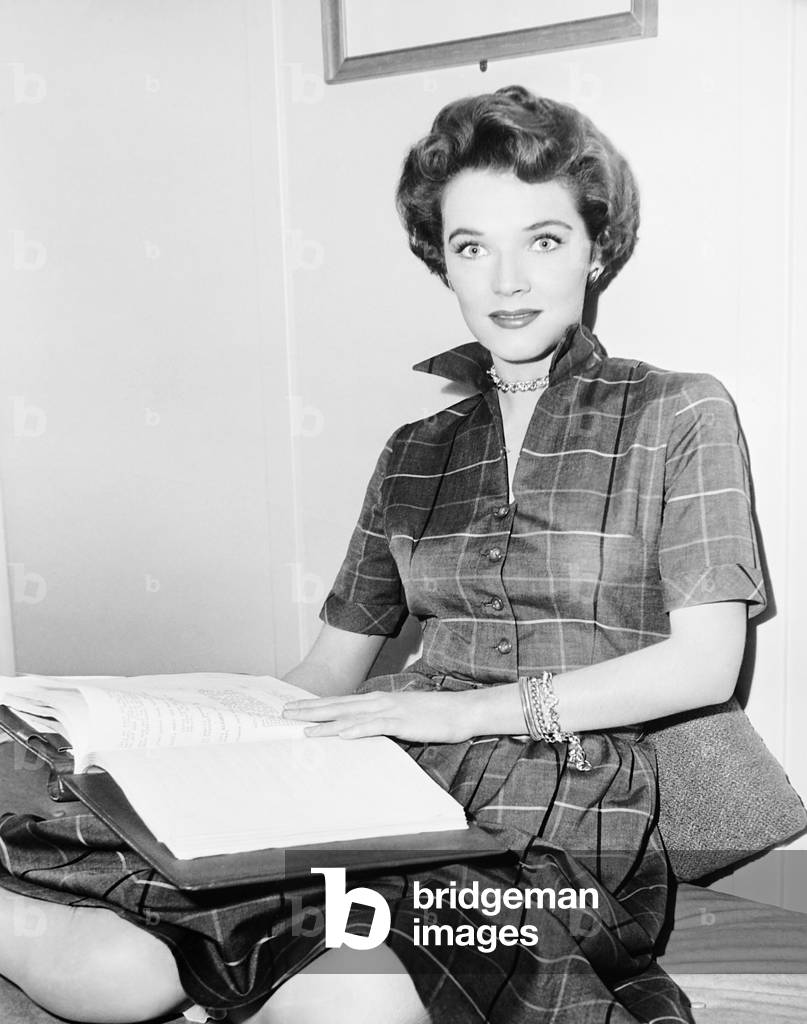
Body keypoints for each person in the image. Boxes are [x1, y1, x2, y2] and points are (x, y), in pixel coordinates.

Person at [0, 85, 765, 1024]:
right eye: (471, 247)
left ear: (596, 248)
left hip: (569, 795)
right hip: (386, 770)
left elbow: (704, 664)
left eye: (544, 240)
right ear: (441, 262)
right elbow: (324, 671)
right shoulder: (413, 451)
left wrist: (463, 715)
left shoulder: (679, 409)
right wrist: (175, 729)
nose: (508, 280)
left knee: (355, 991)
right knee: (135, 952)